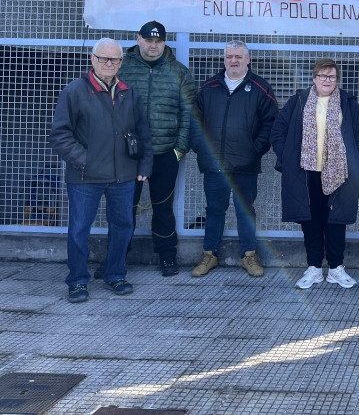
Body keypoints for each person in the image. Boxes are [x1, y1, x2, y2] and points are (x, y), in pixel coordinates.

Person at [50, 39, 153, 303]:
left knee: (123, 227)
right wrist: (85, 161)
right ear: (92, 59)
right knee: (79, 230)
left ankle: (115, 274)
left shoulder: (130, 92)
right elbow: (60, 135)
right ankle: (77, 281)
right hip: (85, 177)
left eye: (115, 60)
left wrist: (144, 165)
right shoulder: (74, 91)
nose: (109, 64)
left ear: (121, 62)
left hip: (123, 176)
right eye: (104, 58)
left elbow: (143, 133)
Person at [272, 58, 359, 290]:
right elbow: (278, 129)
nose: (328, 80)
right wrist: (286, 158)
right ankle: (314, 267)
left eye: (332, 77)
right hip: (307, 172)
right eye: (323, 76)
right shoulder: (300, 101)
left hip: (339, 172)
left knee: (336, 220)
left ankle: (336, 268)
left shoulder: (347, 102)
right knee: (311, 220)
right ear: (314, 78)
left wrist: (357, 162)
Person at [190, 40, 279, 278]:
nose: (234, 60)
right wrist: (202, 147)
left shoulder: (260, 87)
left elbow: (271, 122)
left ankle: (249, 256)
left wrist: (255, 149)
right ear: (224, 59)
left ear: (248, 59)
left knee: (245, 210)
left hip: (245, 164)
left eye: (239, 56)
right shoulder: (209, 87)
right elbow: (194, 120)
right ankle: (209, 254)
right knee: (214, 210)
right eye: (229, 56)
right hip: (214, 164)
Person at [117, 20, 197, 276]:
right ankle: (116, 259)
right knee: (122, 207)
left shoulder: (180, 72)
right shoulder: (121, 67)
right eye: (149, 40)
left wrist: (180, 149)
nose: (153, 46)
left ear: (164, 43)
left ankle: (167, 256)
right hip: (128, 154)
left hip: (165, 152)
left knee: (163, 207)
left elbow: (189, 114)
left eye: (158, 41)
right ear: (138, 39)